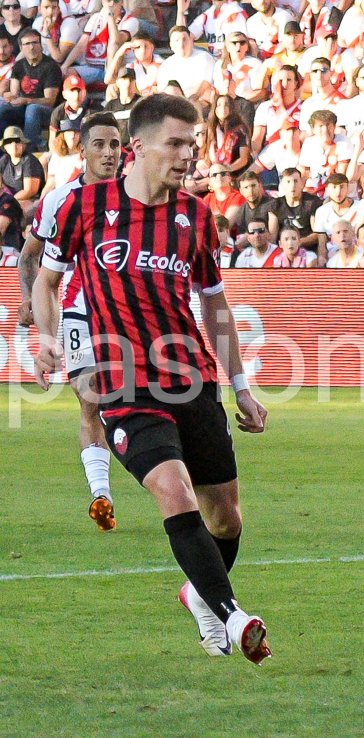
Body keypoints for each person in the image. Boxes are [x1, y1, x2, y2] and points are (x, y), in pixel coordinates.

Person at [31, 93, 270, 664]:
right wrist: (44, 339)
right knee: (172, 489)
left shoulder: (198, 217)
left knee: (226, 517)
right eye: (177, 143)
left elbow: (215, 307)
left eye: (193, 144)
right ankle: (234, 617)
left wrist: (240, 384)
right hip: (123, 383)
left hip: (192, 380)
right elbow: (45, 280)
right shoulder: (83, 207)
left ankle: (202, 598)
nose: (188, 154)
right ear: (137, 148)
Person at [17, 113, 120, 530]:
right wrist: (30, 297)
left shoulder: (139, 196)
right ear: (82, 150)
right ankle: (101, 494)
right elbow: (30, 259)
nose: (109, 153)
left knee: (141, 403)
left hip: (133, 313)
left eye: (115, 145)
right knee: (90, 397)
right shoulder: (59, 200)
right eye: (99, 144)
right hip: (80, 311)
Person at [0, 26, 59, 150]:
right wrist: (9, 97)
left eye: (35, 43)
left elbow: (50, 100)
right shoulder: (19, 66)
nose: (31, 47)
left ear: (41, 45)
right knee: (3, 108)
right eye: (27, 44)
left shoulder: (51, 67)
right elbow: (15, 94)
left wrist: (26, 100)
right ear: (21, 48)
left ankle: (30, 149)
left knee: (32, 109)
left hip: (47, 111)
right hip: (24, 108)